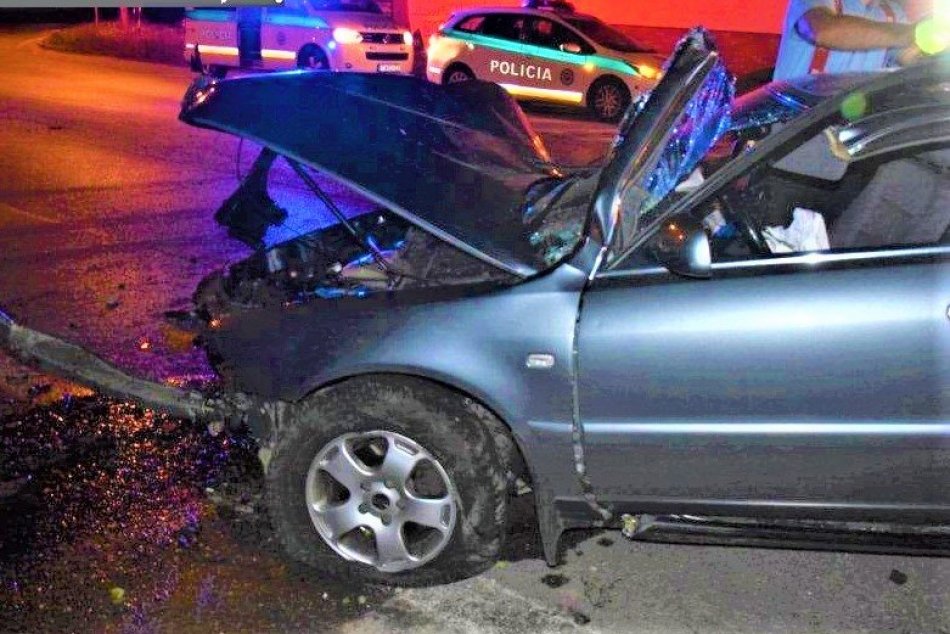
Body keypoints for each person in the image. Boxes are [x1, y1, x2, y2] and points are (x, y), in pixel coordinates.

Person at [773, 0, 921, 80]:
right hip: (795, 124)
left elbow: (909, 57)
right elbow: (823, 30)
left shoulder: (892, 13)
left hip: (850, 127)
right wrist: (913, 33)